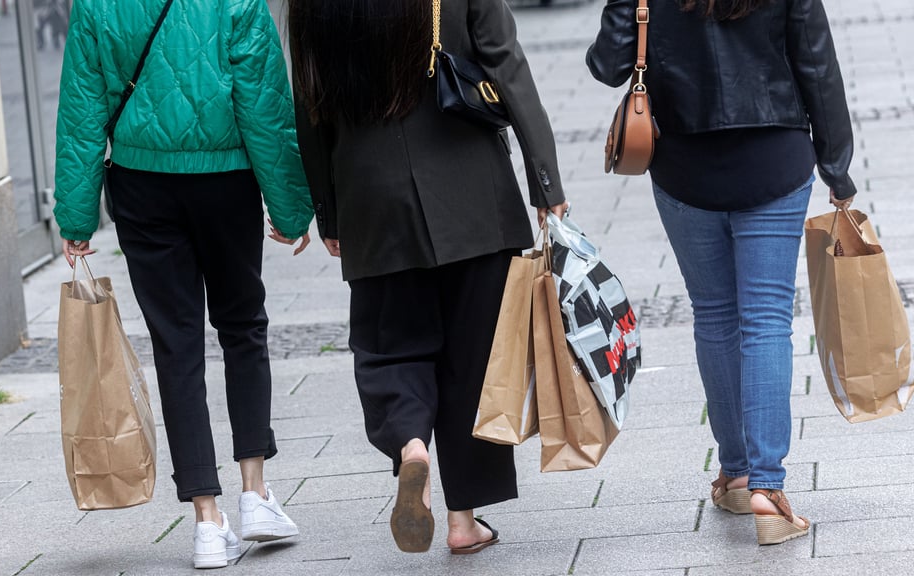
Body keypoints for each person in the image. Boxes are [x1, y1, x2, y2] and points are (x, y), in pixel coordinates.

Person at [288, 0, 568, 555]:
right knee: (472, 361)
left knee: (391, 348)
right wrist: (545, 184)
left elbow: (309, 101)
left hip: (372, 198)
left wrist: (329, 208)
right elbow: (506, 63)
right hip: (472, 194)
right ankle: (464, 521)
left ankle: (411, 444)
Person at [54, 0, 313, 569]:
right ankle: (254, 493)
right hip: (227, 181)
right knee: (242, 327)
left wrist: (75, 214)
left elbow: (82, 108)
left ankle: (205, 520)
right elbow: (264, 106)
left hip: (142, 185)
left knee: (176, 348)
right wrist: (290, 206)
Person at [587, 0, 856, 546]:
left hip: (685, 166)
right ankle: (768, 488)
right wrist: (837, 166)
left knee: (714, 317)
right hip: (774, 156)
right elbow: (817, 64)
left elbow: (608, 63)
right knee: (765, 320)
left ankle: (734, 475)